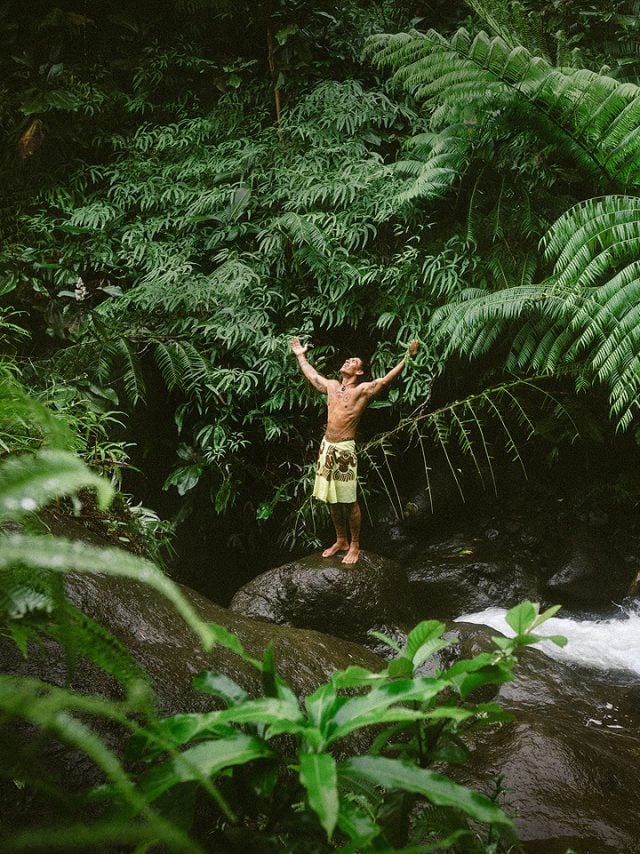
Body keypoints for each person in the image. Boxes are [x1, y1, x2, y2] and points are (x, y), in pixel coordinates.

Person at [290, 337, 420, 564]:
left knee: (349, 500)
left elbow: (385, 380)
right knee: (331, 499)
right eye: (348, 360)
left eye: (353, 361)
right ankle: (341, 540)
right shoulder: (331, 386)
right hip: (326, 447)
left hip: (344, 450)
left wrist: (409, 356)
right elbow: (312, 375)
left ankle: (355, 544)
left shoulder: (361, 391)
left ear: (359, 372)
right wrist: (301, 355)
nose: (348, 361)